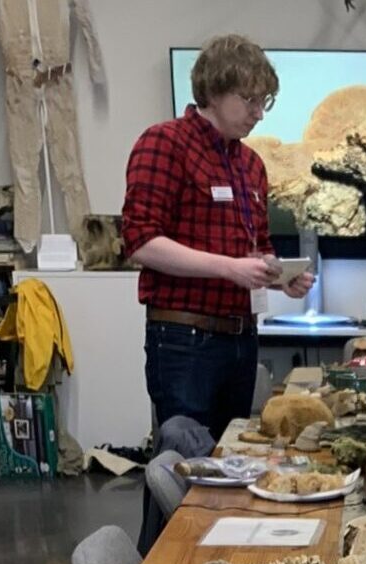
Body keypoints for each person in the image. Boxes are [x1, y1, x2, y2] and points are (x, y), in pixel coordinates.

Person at [122, 34, 315, 443]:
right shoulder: (164, 143)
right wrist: (230, 269)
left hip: (242, 339)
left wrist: (283, 278)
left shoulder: (251, 165)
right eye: (249, 100)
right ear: (213, 89)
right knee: (182, 465)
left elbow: (256, 250)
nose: (259, 114)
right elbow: (141, 241)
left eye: (265, 102)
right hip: (184, 340)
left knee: (230, 463)